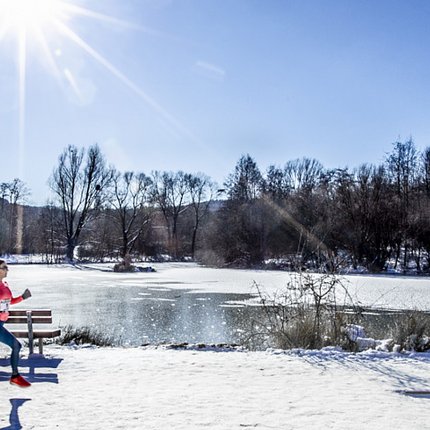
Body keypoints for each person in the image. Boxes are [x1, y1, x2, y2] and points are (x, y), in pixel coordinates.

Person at [0, 260, 32, 388]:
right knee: (16, 345)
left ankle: (15, 376)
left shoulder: (5, 284)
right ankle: (15, 376)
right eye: (4, 267)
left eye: (7, 267)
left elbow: (9, 301)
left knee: (16, 346)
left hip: (1, 323)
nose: (7, 269)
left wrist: (23, 297)